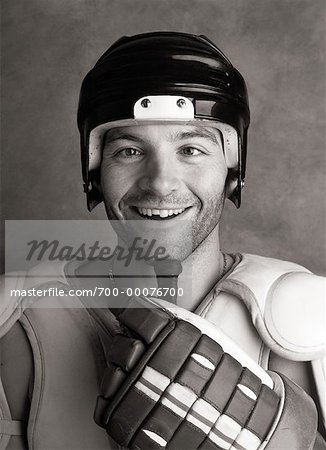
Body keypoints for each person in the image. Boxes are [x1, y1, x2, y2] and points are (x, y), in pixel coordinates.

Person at [0, 32, 325, 449]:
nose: (160, 182)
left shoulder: (313, 320)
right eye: (130, 151)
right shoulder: (15, 321)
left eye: (191, 149)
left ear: (231, 170)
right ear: (95, 171)